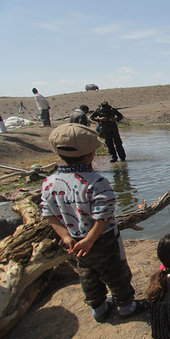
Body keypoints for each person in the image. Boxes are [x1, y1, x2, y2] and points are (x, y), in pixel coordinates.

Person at [40, 123, 149, 322]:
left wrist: (65, 237)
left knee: (87, 273)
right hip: (102, 238)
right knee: (116, 272)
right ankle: (125, 306)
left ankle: (98, 308)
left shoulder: (49, 183)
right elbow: (103, 216)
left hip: (74, 239)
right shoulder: (96, 182)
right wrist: (90, 240)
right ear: (91, 155)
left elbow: (49, 214)